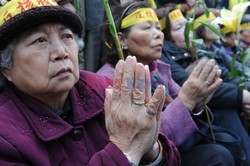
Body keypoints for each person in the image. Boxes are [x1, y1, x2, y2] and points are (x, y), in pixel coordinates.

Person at [0, 0, 180, 165]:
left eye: (67, 37)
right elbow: (127, 149)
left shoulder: (104, 88)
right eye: (40, 40)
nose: (61, 52)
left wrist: (152, 150)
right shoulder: (5, 136)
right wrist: (125, 151)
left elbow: (169, 157)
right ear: (5, 66)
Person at [97, 2, 237, 165]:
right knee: (218, 155)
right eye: (147, 28)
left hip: (177, 147)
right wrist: (187, 99)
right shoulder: (110, 81)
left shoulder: (159, 70)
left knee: (225, 140)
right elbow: (144, 142)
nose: (158, 34)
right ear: (122, 40)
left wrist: (199, 103)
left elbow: (186, 104)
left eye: (158, 27)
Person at [157, 5, 250, 165]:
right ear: (168, 37)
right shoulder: (168, 59)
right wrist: (243, 96)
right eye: (180, 27)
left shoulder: (205, 49)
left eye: (187, 24)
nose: (188, 29)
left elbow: (229, 75)